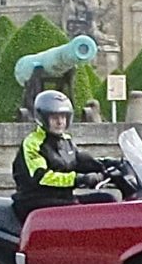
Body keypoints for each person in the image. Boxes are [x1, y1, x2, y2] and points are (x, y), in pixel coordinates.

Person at [11, 90, 117, 222]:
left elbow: (80, 161)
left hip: (62, 199)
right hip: (35, 202)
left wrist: (108, 165)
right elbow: (42, 178)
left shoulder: (66, 140)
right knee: (82, 216)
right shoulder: (33, 143)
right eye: (54, 117)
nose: (60, 122)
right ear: (43, 118)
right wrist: (79, 179)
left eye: (63, 117)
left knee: (107, 200)